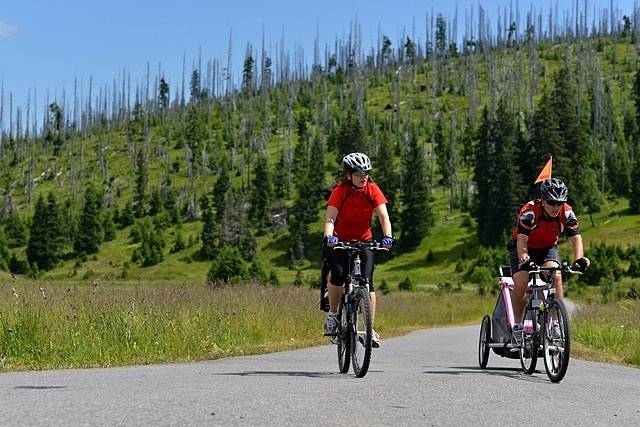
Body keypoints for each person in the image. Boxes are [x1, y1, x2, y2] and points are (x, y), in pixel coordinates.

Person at [322, 152, 394, 348]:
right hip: (339, 241)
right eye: (359, 173)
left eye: (366, 173)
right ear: (348, 175)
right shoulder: (340, 191)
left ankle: (369, 329)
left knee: (367, 282)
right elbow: (330, 218)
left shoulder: (372, 190)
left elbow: (383, 217)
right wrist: (329, 237)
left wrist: (388, 236)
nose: (364, 177)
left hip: (364, 241)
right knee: (337, 274)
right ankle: (333, 315)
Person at [509, 178, 590, 346]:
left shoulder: (566, 213)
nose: (555, 207)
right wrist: (524, 257)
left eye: (559, 203)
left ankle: (554, 324)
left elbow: (576, 238)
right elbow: (522, 239)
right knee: (522, 281)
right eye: (552, 202)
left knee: (556, 275)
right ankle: (517, 326)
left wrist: (579, 259)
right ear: (543, 200)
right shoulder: (529, 212)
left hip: (547, 249)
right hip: (523, 248)